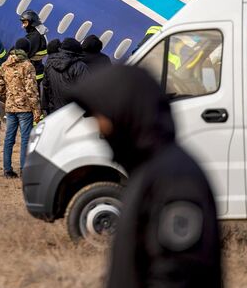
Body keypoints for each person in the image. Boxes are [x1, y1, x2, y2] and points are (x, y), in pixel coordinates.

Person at [68, 66, 222, 287]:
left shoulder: (175, 179)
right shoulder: (148, 172)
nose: (99, 129)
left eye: (102, 117)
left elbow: (177, 276)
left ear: (125, 111)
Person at [0, 37, 41, 178]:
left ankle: (7, 170)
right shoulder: (28, 66)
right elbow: (31, 90)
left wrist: (8, 97)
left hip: (10, 108)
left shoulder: (5, 65)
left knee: (9, 138)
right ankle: (24, 169)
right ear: (27, 50)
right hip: (25, 108)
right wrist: (36, 110)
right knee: (25, 139)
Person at [42, 37, 87, 116]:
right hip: (75, 113)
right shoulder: (80, 66)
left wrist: (46, 107)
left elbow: (46, 87)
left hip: (55, 111)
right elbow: (88, 91)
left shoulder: (50, 64)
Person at [19, 10, 48, 85]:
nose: (23, 26)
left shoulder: (33, 38)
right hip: (37, 72)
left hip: (31, 75)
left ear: (31, 23)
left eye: (25, 23)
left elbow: (20, 54)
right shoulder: (40, 34)